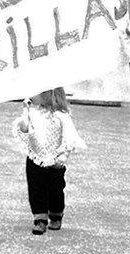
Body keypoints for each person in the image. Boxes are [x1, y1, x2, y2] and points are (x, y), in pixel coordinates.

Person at [13, 87, 86, 235]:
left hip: (55, 158)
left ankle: (56, 215)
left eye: (35, 92)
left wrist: (64, 155)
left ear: (48, 94)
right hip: (35, 157)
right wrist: (25, 111)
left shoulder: (61, 115)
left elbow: (69, 136)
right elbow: (24, 128)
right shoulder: (32, 113)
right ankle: (40, 219)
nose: (31, 95)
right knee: (36, 188)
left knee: (56, 189)